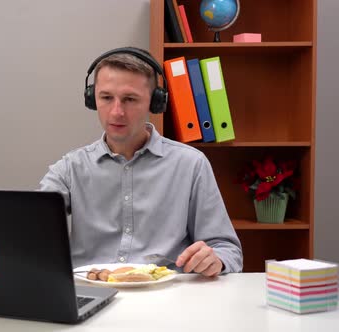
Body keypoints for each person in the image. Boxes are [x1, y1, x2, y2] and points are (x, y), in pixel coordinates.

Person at [39, 47, 242, 276]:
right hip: (91, 292)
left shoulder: (191, 164)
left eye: (130, 99)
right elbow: (30, 225)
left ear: (155, 103)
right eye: (106, 97)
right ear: (92, 98)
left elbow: (228, 250)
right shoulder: (69, 169)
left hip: (167, 297)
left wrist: (216, 260)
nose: (116, 112)